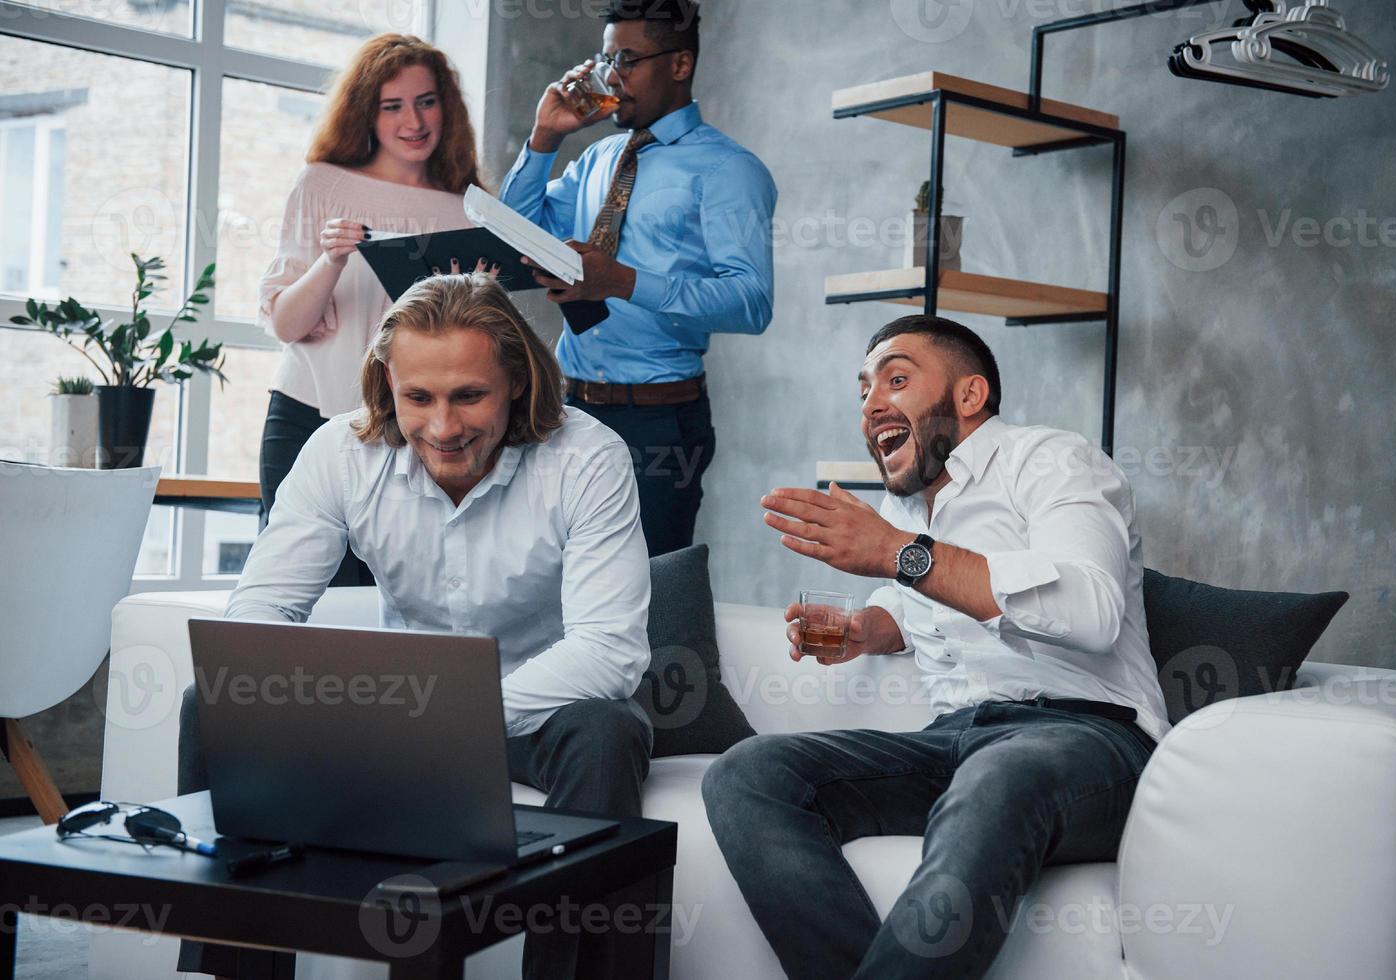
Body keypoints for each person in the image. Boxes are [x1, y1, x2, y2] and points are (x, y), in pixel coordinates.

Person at [178, 274, 652, 980]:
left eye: (469, 395)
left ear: (517, 382)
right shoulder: (340, 452)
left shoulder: (588, 457)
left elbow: (608, 651)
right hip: (398, 707)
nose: (442, 427)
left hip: (542, 709)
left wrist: (444, 726)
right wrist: (310, 705)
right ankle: (235, 972)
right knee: (217, 698)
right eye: (418, 398)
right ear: (386, 385)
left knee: (606, 729)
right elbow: (261, 614)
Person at [702, 314, 1171, 979]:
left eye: (896, 379)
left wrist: (897, 553)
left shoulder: (1051, 460)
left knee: (1001, 772)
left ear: (970, 396)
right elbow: (917, 600)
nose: (870, 405)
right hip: (956, 742)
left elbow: (1090, 610)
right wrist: (864, 632)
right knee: (749, 772)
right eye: (862, 390)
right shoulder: (908, 509)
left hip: (1092, 743)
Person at [499, 0, 776, 557]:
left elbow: (751, 302)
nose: (611, 77)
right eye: (606, 59)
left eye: (627, 59)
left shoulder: (729, 169)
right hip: (565, 410)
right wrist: (543, 140)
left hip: (658, 423)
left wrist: (623, 282)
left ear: (679, 64)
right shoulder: (597, 158)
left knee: (649, 599)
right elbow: (515, 234)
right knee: (551, 588)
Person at [258, 33, 490, 586]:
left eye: (426, 101)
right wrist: (332, 261)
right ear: (368, 112)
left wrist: (484, 298)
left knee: (391, 604)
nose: (413, 120)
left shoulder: (467, 209)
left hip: (412, 437)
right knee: (296, 595)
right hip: (306, 421)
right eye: (393, 106)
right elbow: (288, 324)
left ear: (446, 107)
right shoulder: (322, 184)